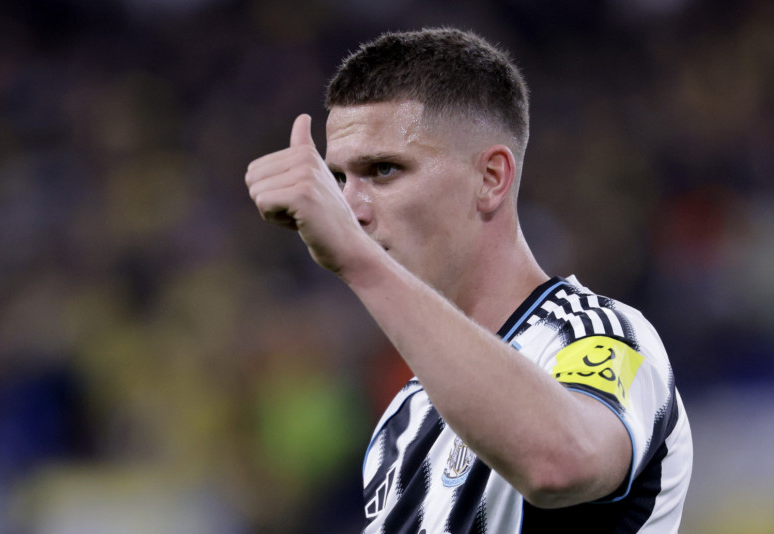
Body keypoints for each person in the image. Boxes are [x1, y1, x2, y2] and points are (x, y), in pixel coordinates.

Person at [245, 27, 692, 533]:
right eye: (340, 179)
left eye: (384, 169)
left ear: (491, 178)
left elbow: (561, 462)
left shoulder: (600, 335)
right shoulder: (402, 423)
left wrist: (358, 260)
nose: (349, 209)